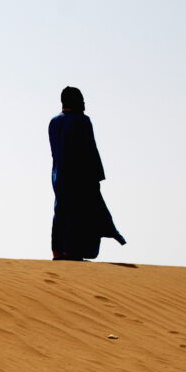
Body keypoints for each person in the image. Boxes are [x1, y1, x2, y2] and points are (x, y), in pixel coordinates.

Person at [48, 86, 125, 260]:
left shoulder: (54, 122)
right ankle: (72, 251)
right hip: (80, 175)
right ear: (73, 101)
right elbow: (89, 150)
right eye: (81, 99)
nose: (84, 103)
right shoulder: (81, 120)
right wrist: (96, 176)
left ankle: (58, 250)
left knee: (61, 210)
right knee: (80, 213)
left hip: (58, 175)